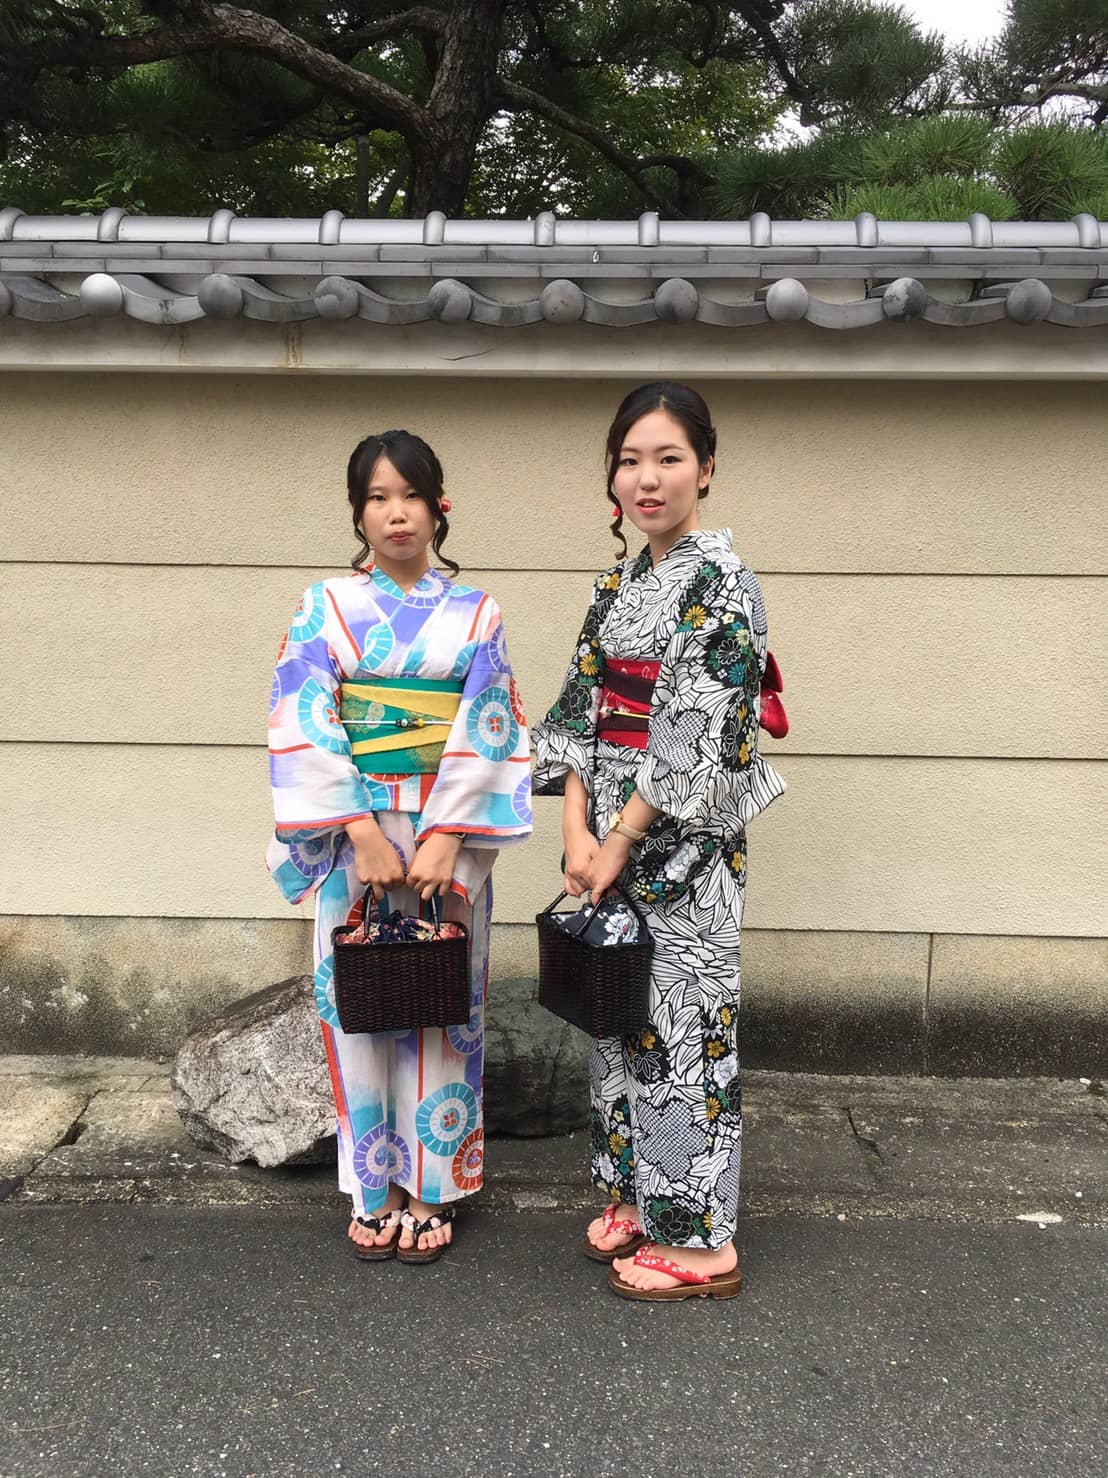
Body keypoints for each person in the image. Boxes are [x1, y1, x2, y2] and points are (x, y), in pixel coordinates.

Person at [532, 381, 785, 1301]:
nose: (648, 478)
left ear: (705, 470)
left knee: (682, 1030)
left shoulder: (724, 585)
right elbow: (580, 707)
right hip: (607, 830)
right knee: (619, 1016)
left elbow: (694, 735)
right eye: (630, 461)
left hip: (685, 846)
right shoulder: (617, 587)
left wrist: (617, 837)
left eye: (669, 458)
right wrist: (575, 825)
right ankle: (640, 1195)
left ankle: (701, 1243)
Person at [267, 430, 531, 1263]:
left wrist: (448, 835)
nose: (396, 513)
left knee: (443, 1005)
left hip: (447, 833)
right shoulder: (323, 607)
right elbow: (301, 715)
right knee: (360, 1005)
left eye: (411, 495)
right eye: (378, 497)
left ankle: (433, 1188)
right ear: (359, 513)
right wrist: (357, 830)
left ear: (438, 505)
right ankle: (373, 1185)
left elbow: (492, 723)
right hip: (355, 834)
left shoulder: (477, 612)